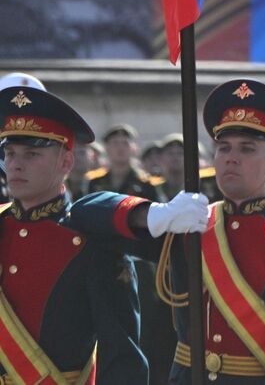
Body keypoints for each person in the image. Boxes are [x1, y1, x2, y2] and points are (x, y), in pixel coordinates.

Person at [70, 78, 265, 382]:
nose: (231, 157)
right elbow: (82, 214)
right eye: (223, 147)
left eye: (247, 148)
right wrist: (156, 215)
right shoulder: (190, 225)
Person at [0, 84, 196, 383]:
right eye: (10, 153)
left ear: (66, 162)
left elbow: (122, 356)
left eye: (31, 154)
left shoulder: (90, 240)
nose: (15, 164)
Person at [87, 124, 176, 381]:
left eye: (125, 143)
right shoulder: (96, 183)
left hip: (139, 267)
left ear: (134, 148)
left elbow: (159, 224)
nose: (119, 148)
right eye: (114, 143)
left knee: (142, 330)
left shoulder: (146, 185)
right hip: (100, 263)